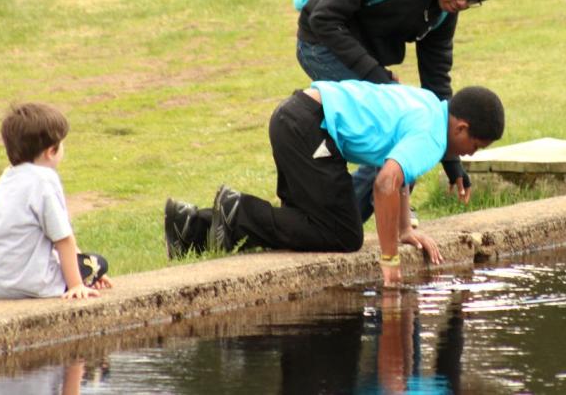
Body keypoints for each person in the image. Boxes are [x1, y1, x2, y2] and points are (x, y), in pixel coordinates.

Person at [164, 80, 504, 286]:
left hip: (298, 117)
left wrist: (404, 230)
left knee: (307, 224)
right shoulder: (432, 137)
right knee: (344, 234)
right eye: (475, 147)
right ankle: (237, 212)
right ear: (461, 129)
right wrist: (389, 260)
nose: (470, 156)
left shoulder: (431, 105)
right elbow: (385, 183)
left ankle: (191, 226)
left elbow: (402, 180)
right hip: (309, 128)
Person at [295, 0, 507, 224]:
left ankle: (343, 220)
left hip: (363, 61)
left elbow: (436, 87)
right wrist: (378, 78)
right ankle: (336, 224)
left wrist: (451, 158)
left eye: (473, 0)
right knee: (395, 143)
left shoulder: (444, 14)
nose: (462, 3)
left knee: (411, 141)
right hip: (320, 44)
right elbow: (324, 18)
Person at [0, 103, 112, 300]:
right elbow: (63, 239)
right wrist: (77, 284)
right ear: (51, 151)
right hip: (31, 283)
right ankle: (84, 276)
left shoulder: (8, 177)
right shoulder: (44, 181)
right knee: (98, 262)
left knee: (85, 263)